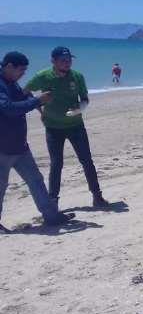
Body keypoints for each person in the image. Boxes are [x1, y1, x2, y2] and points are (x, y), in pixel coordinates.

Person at [24, 47, 110, 208]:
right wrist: (39, 108)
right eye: (63, 60)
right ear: (53, 61)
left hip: (76, 126)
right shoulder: (43, 77)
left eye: (69, 59)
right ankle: (53, 202)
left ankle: (97, 196)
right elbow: (25, 91)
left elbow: (85, 99)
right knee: (56, 164)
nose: (67, 62)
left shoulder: (77, 76)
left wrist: (80, 109)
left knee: (87, 161)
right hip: (53, 127)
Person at [1, 52, 75, 232]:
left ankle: (51, 216)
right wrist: (36, 101)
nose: (23, 74)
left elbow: (22, 97)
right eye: (21, 70)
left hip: (19, 145)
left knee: (36, 180)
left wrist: (39, 106)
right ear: (9, 66)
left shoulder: (12, 82)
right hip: (2, 148)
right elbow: (8, 109)